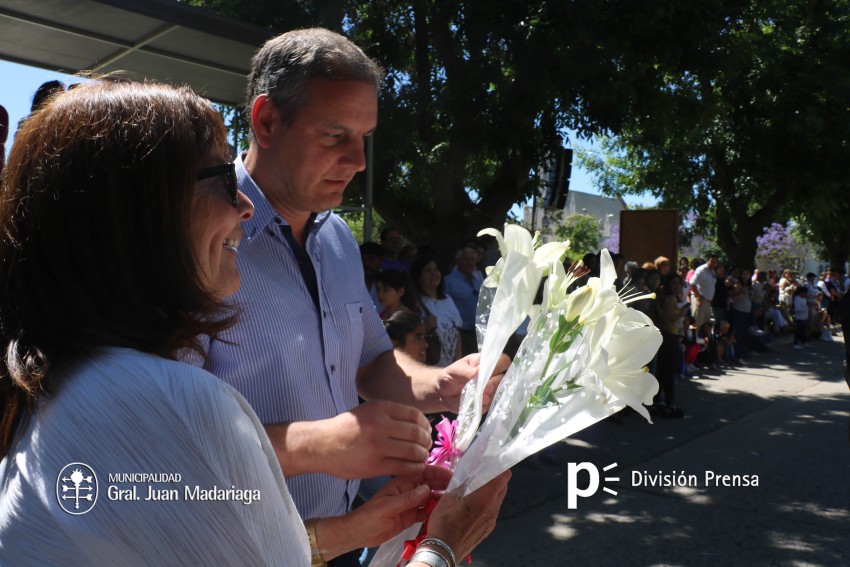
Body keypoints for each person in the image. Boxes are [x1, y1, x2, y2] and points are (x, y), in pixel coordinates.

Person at [0, 80, 510, 567]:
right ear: (136, 217)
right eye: (222, 178)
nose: (243, 205)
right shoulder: (163, 399)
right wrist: (448, 538)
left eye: (364, 140)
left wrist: (353, 529)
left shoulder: (78, 378)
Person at [198, 28, 509, 563]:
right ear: (267, 121)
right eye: (335, 135)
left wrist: (445, 385)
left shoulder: (337, 237)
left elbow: (370, 362)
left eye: (364, 137)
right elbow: (163, 436)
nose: (359, 161)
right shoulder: (198, 233)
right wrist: (317, 444)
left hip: (340, 539)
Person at [412, 255, 463, 367]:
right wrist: (424, 326)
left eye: (436, 269)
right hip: (430, 368)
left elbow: (457, 333)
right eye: (428, 271)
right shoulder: (416, 303)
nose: (434, 274)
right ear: (418, 276)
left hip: (452, 366)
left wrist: (458, 363)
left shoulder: (448, 300)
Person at [444, 247, 484, 356]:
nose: (469, 263)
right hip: (462, 333)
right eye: (466, 260)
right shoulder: (449, 281)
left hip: (479, 331)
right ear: (458, 261)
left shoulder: (478, 278)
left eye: (472, 260)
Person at [690, 255, 719, 326]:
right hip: (701, 301)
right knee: (698, 324)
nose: (713, 264)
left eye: (715, 262)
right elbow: (692, 283)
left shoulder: (712, 272)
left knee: (706, 325)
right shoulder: (701, 270)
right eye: (712, 261)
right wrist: (698, 297)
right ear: (708, 261)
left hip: (708, 302)